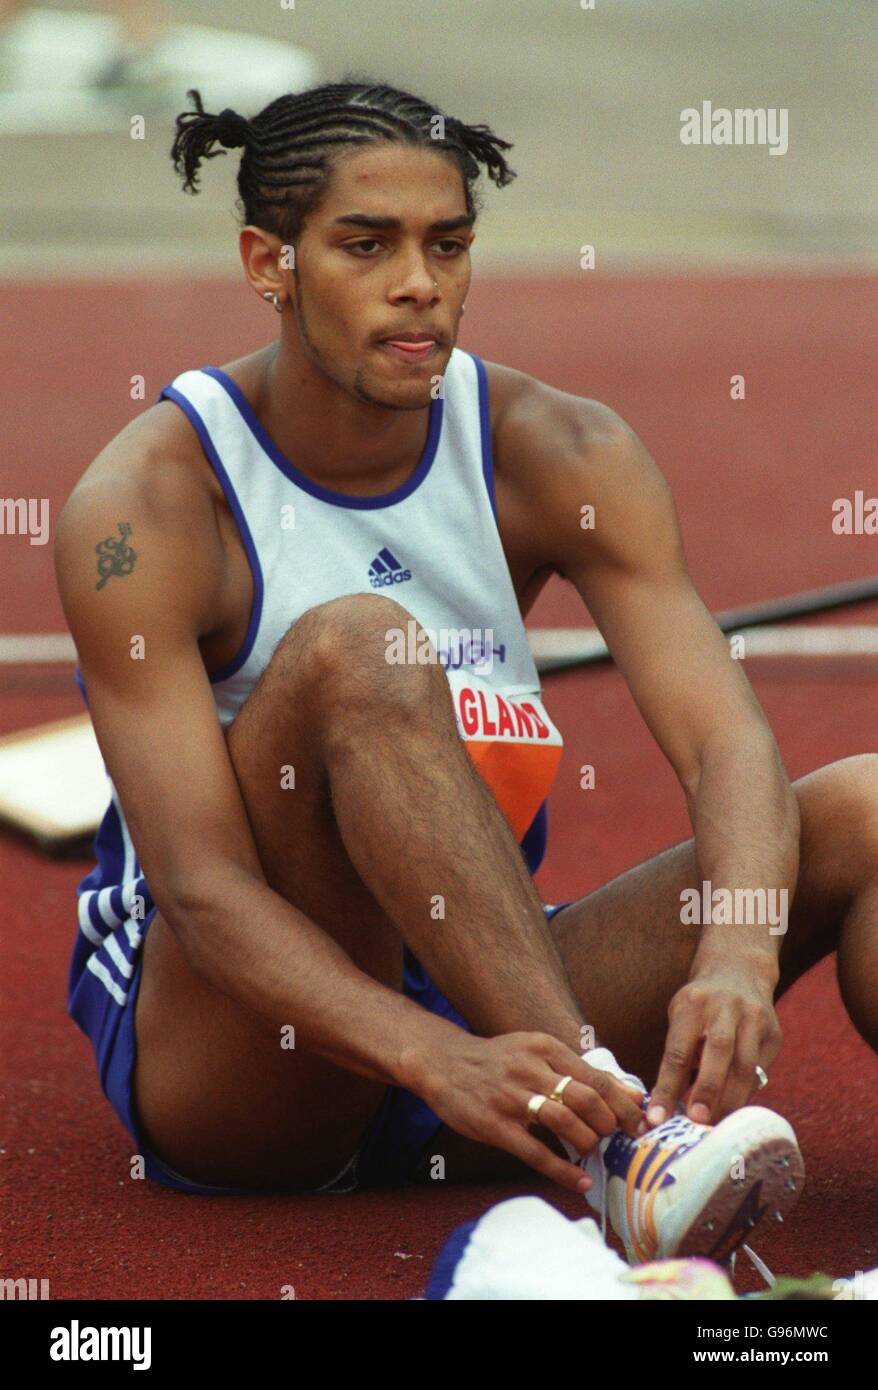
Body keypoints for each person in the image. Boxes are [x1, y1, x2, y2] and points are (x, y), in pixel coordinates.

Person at [55, 78, 878, 1268]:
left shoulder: (558, 451)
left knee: (861, 805)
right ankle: (617, 1141)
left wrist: (736, 952)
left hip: (488, 1012)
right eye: (365, 244)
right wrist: (431, 1055)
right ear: (267, 261)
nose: (417, 283)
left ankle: (593, 1114)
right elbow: (200, 890)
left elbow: (724, 742)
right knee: (360, 646)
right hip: (250, 1057)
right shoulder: (143, 509)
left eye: (447, 244)